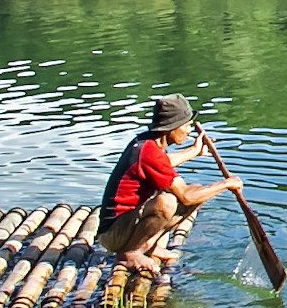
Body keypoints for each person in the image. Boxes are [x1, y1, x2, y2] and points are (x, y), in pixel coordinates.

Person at [97, 94, 241, 278]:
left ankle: (151, 245)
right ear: (173, 127)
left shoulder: (147, 144)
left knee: (197, 190)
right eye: (187, 125)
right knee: (168, 202)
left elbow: (163, 163)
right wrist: (226, 184)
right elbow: (185, 196)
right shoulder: (148, 152)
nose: (189, 130)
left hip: (121, 227)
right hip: (112, 233)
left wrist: (194, 151)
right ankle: (130, 253)